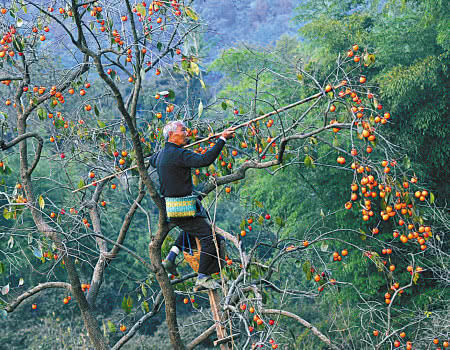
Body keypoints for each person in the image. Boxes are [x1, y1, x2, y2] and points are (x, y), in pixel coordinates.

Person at [149, 120, 234, 290]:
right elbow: (205, 160)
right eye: (183, 130)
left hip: (172, 209)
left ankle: (171, 258)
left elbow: (151, 160)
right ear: (172, 134)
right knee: (209, 237)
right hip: (184, 209)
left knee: (191, 229)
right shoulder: (179, 154)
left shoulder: (160, 155)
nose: (187, 133)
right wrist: (222, 140)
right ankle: (202, 277)